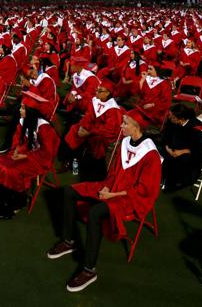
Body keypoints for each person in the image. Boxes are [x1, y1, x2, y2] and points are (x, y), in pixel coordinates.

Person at [46, 113, 161, 292]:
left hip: (132, 198)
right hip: (113, 187)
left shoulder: (151, 155)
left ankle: (89, 269)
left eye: (125, 123)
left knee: (95, 212)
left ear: (137, 127)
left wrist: (114, 195)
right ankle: (68, 241)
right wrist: (108, 187)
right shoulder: (125, 142)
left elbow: (144, 190)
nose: (121, 126)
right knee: (69, 191)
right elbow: (114, 173)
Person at [0, 92, 59, 219]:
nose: (19, 110)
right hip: (25, 153)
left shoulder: (44, 128)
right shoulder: (24, 120)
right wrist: (17, 150)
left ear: (31, 111)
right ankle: (5, 196)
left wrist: (26, 156)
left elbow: (48, 153)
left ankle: (19, 201)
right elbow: (18, 139)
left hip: (39, 159)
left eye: (22, 108)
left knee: (12, 171)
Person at [160, 103, 202, 191]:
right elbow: (166, 136)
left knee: (183, 160)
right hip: (171, 149)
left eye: (172, 116)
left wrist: (183, 151)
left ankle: (176, 180)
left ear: (181, 119)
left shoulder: (197, 128)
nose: (169, 118)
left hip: (191, 155)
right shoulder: (172, 122)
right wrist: (167, 148)